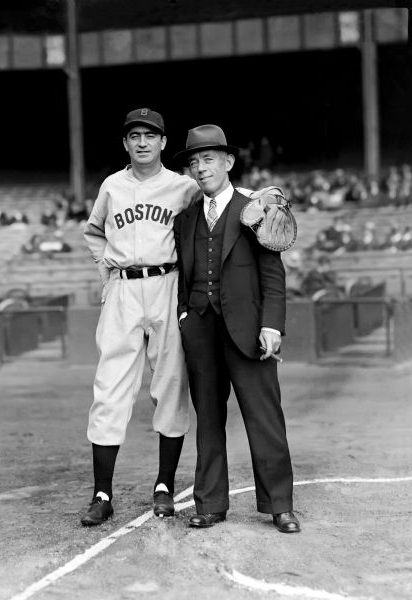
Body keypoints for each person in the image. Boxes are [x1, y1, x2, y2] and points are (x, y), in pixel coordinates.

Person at [173, 124, 300, 533]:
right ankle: (210, 504)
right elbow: (185, 276)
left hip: (249, 331)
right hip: (201, 331)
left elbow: (273, 276)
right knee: (208, 420)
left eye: (208, 159)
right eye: (194, 162)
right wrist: (184, 316)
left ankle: (279, 504)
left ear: (228, 162)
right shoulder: (187, 218)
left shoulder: (256, 208)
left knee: (264, 418)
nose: (200, 167)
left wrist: (271, 325)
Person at [80, 108, 201, 526]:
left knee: (170, 382)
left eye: (151, 135)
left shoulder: (184, 188)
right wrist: (107, 273)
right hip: (124, 289)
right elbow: (94, 232)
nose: (143, 142)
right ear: (126, 143)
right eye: (135, 135)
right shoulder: (112, 186)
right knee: (110, 385)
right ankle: (102, 493)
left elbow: (209, 223)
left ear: (164, 142)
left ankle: (164, 486)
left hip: (168, 284)